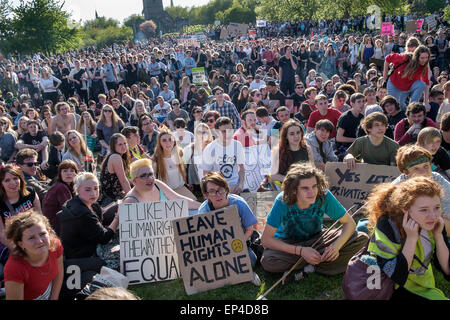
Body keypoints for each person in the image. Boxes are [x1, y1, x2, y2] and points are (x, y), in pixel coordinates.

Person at [260, 163, 368, 283]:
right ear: (294, 190)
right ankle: (318, 265)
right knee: (268, 261)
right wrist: (301, 251)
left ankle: (306, 268)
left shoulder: (324, 196)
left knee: (360, 238)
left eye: (314, 186)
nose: (312, 192)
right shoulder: (282, 200)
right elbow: (266, 240)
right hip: (289, 243)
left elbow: (350, 223)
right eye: (305, 188)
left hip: (317, 239)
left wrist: (336, 247)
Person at [365, 176, 449, 300]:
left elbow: (447, 270)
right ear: (406, 209)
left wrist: (438, 236)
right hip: (387, 289)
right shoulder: (387, 224)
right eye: (424, 210)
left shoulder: (436, 223)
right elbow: (396, 276)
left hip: (421, 286)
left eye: (437, 207)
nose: (433, 216)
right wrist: (411, 238)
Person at [57, 172, 118, 297]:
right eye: (88, 190)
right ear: (78, 190)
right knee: (118, 255)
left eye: (96, 188)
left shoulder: (80, 202)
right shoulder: (82, 212)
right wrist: (117, 219)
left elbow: (100, 216)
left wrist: (118, 205)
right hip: (80, 257)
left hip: (76, 252)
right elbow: (104, 238)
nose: (94, 193)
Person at [197, 172, 261, 284]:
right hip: (217, 248)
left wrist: (235, 246)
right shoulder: (203, 211)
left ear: (226, 190)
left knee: (251, 260)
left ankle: (241, 272)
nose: (218, 194)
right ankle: (242, 273)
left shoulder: (239, 204)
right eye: (212, 191)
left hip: (238, 244)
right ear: (206, 195)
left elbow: (249, 230)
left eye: (221, 189)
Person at [4, 211, 64, 300]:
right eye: (31, 238)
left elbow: (59, 273)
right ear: (21, 244)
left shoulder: (55, 245)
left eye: (42, 234)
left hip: (50, 290)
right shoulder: (14, 267)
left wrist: (54, 297)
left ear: (49, 232)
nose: (39, 241)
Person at [0, 164, 42, 268]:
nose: (13, 183)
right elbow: (2, 233)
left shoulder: (30, 193)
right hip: (10, 240)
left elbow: (41, 218)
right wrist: (20, 250)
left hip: (33, 234)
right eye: (7, 180)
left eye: (15, 178)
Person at [122, 159, 201, 210]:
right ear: (134, 181)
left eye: (150, 174)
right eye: (143, 175)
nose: (149, 178)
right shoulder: (131, 201)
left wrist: (204, 207)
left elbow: (178, 198)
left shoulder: (157, 184)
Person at [202, 116, 245, 194]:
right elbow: (206, 175)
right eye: (224, 131)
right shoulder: (210, 149)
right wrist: (221, 189)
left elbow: (241, 168)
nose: (228, 134)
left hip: (236, 187)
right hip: (218, 189)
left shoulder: (237, 145)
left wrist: (241, 185)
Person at [151, 131, 196, 200]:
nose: (168, 143)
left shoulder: (180, 154)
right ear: (159, 143)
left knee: (195, 206)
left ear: (174, 141)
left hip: (181, 189)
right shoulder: (156, 160)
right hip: (165, 193)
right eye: (164, 140)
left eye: (170, 139)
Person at [384, 45, 431, 110]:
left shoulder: (424, 67)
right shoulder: (405, 57)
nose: (424, 60)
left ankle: (412, 107)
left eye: (426, 58)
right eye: (422, 58)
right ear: (417, 57)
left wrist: (426, 102)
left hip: (407, 87)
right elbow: (387, 58)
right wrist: (385, 75)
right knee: (395, 107)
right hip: (394, 84)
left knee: (421, 84)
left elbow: (426, 83)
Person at [42, 160, 78, 236]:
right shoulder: (61, 187)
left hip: (60, 224)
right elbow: (71, 210)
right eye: (65, 171)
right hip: (57, 228)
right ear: (60, 174)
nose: (68, 173)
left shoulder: (67, 186)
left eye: (72, 171)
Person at [271, 119, 313, 184]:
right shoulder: (277, 151)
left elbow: (312, 169)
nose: (296, 136)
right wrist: (292, 180)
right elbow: (273, 175)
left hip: (306, 184)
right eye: (292, 134)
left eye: (298, 132)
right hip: (287, 186)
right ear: (286, 136)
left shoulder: (308, 149)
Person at [99, 133, 131, 204]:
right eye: (120, 144)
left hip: (112, 195)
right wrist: (132, 198)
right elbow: (123, 181)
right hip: (112, 199)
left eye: (125, 143)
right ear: (114, 146)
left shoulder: (115, 156)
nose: (123, 146)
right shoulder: (116, 157)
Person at [335, 92, 365, 160]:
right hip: (344, 146)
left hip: (356, 145)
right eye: (359, 102)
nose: (362, 104)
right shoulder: (345, 117)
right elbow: (339, 138)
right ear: (352, 103)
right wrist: (356, 140)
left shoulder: (362, 117)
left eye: (363, 101)